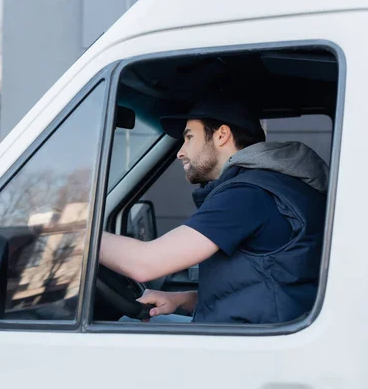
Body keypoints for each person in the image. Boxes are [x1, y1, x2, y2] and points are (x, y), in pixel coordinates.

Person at [99, 99, 329, 324]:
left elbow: (145, 264)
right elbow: (261, 287)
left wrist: (77, 235)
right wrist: (181, 299)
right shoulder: (275, 184)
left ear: (221, 135)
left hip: (252, 346)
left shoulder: (246, 194)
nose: (180, 152)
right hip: (261, 333)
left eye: (189, 137)